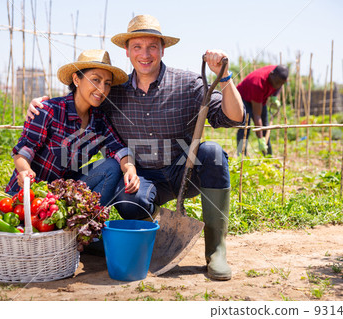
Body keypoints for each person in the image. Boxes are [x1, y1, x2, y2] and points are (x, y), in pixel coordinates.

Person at [27, 15, 245, 280]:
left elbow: (234, 117)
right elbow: (80, 98)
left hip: (182, 172)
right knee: (131, 200)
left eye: (152, 46)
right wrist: (41, 105)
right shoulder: (112, 92)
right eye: (137, 47)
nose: (145, 54)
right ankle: (150, 237)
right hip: (141, 178)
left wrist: (225, 77)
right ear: (127, 51)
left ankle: (216, 252)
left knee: (213, 154)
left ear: (163, 49)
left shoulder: (188, 84)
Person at [6, 49, 139, 206]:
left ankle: (89, 221)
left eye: (107, 83)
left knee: (112, 166)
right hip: (29, 193)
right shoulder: (48, 110)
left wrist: (130, 168)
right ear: (77, 79)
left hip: (61, 194)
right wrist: (24, 171)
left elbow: (119, 150)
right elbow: (24, 151)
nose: (102, 89)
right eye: (95, 80)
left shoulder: (99, 120)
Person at [235, 65, 288, 156]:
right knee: (244, 127)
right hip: (243, 98)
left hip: (260, 98)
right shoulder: (258, 83)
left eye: (281, 83)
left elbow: (280, 84)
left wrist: (274, 96)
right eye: (277, 82)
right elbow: (257, 115)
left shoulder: (279, 74)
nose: (278, 85)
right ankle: (241, 155)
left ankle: (268, 157)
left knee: (265, 127)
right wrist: (260, 139)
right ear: (271, 75)